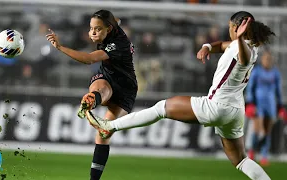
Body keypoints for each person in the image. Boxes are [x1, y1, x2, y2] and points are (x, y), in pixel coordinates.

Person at [85, 11, 275, 180]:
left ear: (237, 28)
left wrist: (239, 40)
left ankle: (109, 126)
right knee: (241, 160)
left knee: (161, 109)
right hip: (234, 112)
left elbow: (243, 58)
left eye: (230, 28)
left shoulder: (244, 48)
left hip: (217, 107)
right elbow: (222, 46)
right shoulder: (249, 45)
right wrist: (208, 46)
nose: (229, 31)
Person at [46, 10, 138, 180]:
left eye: (97, 29)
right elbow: (115, 19)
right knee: (101, 90)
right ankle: (91, 102)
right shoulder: (112, 28)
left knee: (103, 135)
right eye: (91, 28)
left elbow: (89, 59)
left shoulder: (118, 44)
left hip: (126, 90)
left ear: (109, 29)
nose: (92, 32)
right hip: (108, 77)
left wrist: (60, 47)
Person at [245, 50, 286, 166]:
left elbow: (278, 91)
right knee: (258, 130)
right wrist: (250, 103)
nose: (268, 61)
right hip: (258, 104)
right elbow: (250, 88)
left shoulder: (275, 73)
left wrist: (280, 106)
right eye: (266, 58)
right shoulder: (256, 72)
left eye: (270, 59)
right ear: (262, 59)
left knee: (267, 132)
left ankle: (264, 155)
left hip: (271, 105)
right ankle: (252, 151)